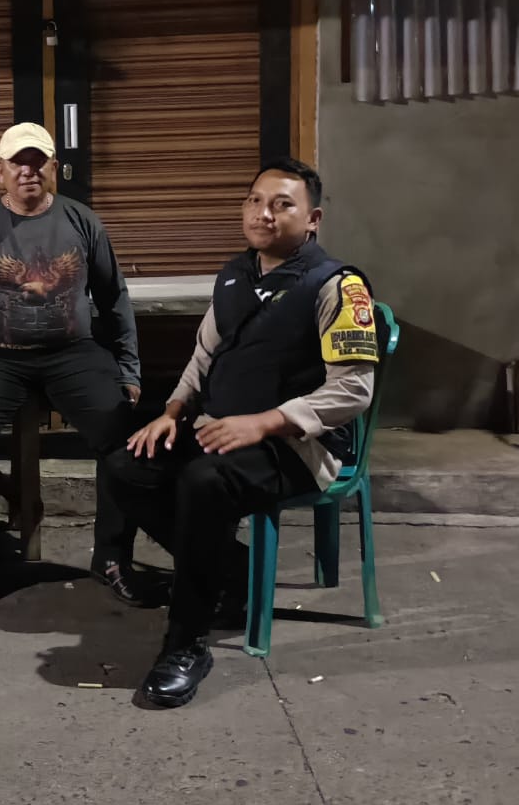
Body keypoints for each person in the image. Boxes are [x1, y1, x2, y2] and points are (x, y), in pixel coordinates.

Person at [116, 157, 379, 708]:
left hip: (296, 446)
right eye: (256, 202)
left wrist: (263, 422)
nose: (265, 214)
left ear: (313, 219)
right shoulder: (235, 275)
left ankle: (185, 645)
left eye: (283, 205)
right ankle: (230, 572)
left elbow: (353, 391)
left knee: (204, 483)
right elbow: (203, 355)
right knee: (125, 467)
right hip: (219, 429)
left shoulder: (336, 285)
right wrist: (172, 411)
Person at [0, 122, 142, 609]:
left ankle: (112, 558)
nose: (28, 171)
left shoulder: (82, 221)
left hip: (73, 352)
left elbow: (113, 298)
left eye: (37, 161)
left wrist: (128, 370)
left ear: (54, 168)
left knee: (121, 429)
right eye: (17, 163)